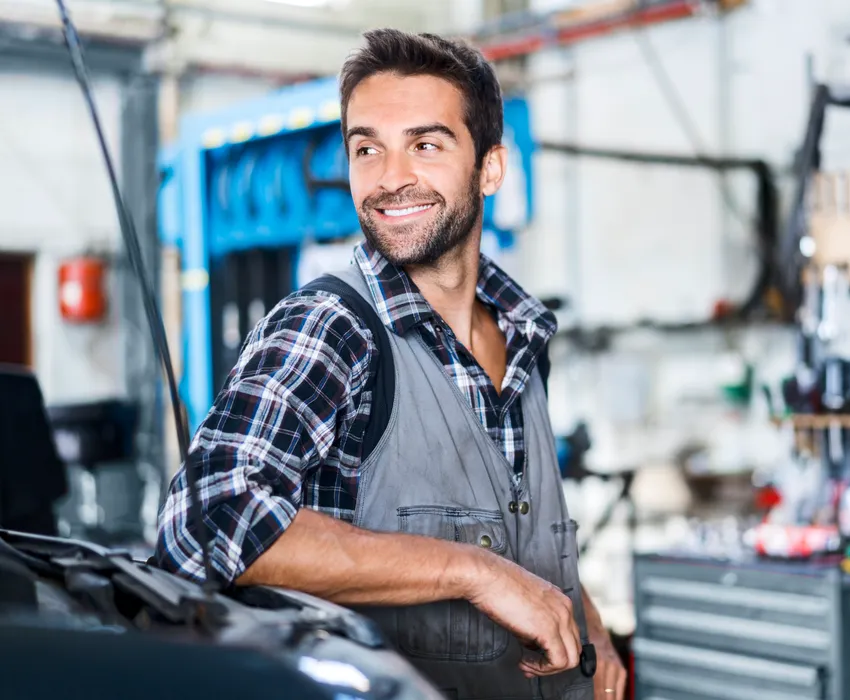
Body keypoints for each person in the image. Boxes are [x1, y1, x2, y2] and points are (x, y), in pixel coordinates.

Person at [155, 28, 626, 700]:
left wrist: (592, 627)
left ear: (489, 167)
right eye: (367, 148)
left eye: (425, 145)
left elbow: (517, 526)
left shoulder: (524, 336)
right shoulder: (331, 329)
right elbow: (206, 523)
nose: (390, 177)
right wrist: (474, 572)